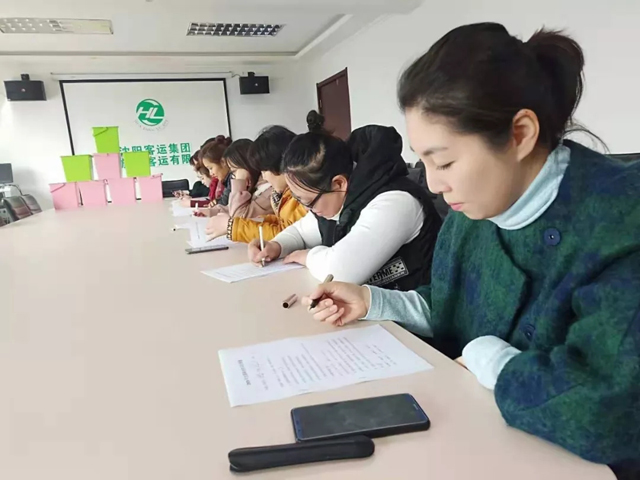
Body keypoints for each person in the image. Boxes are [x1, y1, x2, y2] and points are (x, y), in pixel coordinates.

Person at [300, 23, 640, 470]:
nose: (434, 185)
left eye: (444, 162)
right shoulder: (476, 208)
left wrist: (487, 357)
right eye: (424, 162)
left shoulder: (619, 221)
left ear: (520, 134)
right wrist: (371, 300)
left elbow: (608, 416)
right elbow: (452, 303)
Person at [249, 124, 442, 290]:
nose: (307, 209)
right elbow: (301, 231)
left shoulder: (395, 202)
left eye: (308, 202)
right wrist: (276, 245)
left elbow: (339, 273)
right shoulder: (339, 199)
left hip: (416, 317)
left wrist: (308, 256)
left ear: (339, 183)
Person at [204, 138, 275, 238]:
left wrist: (239, 182)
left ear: (248, 165)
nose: (234, 177)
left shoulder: (269, 190)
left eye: (234, 171)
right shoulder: (256, 186)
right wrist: (211, 212)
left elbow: (239, 219)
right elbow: (231, 208)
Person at [184, 135, 233, 209]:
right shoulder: (225, 180)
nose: (210, 173)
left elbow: (224, 204)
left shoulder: (232, 179)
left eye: (210, 168)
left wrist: (193, 202)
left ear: (223, 162)